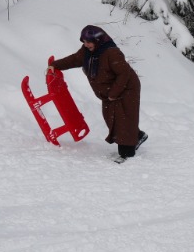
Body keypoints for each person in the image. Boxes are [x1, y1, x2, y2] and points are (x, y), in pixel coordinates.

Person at [49, 25, 146, 161]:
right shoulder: (87, 52)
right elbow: (74, 59)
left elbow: (124, 74)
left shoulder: (111, 53)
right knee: (110, 116)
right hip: (110, 91)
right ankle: (137, 136)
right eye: (84, 41)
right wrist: (55, 65)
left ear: (98, 40)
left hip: (127, 88)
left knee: (123, 118)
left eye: (88, 41)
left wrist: (114, 93)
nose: (86, 44)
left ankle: (127, 152)